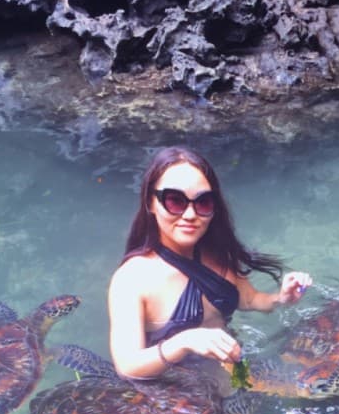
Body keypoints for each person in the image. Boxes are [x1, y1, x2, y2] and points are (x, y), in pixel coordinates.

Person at [108, 146, 312, 379]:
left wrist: (281, 298)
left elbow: (250, 299)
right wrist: (184, 342)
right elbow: (127, 365)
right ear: (151, 203)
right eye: (175, 201)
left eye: (203, 202)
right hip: (174, 399)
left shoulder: (219, 254)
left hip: (232, 375)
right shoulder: (132, 279)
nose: (190, 214)